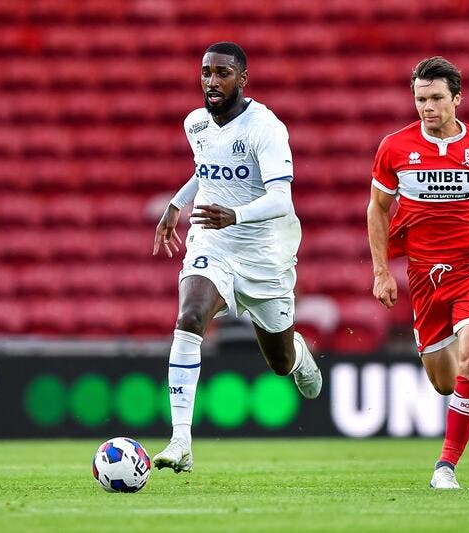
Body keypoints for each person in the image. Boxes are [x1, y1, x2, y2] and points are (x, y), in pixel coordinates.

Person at [151, 42, 321, 473]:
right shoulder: (195, 124)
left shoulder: (266, 128)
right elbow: (206, 168)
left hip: (265, 253)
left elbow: (281, 199)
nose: (212, 81)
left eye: (222, 73)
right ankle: (180, 440)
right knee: (190, 317)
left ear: (242, 79)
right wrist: (176, 204)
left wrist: (236, 214)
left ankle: (298, 353)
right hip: (213, 241)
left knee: (279, 363)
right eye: (206, 72)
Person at [367, 56, 469, 490]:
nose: (428, 107)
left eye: (437, 98)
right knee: (444, 383)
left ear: (457, 98)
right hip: (424, 277)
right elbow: (378, 209)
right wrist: (382, 272)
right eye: (421, 99)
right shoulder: (395, 148)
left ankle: (446, 467)